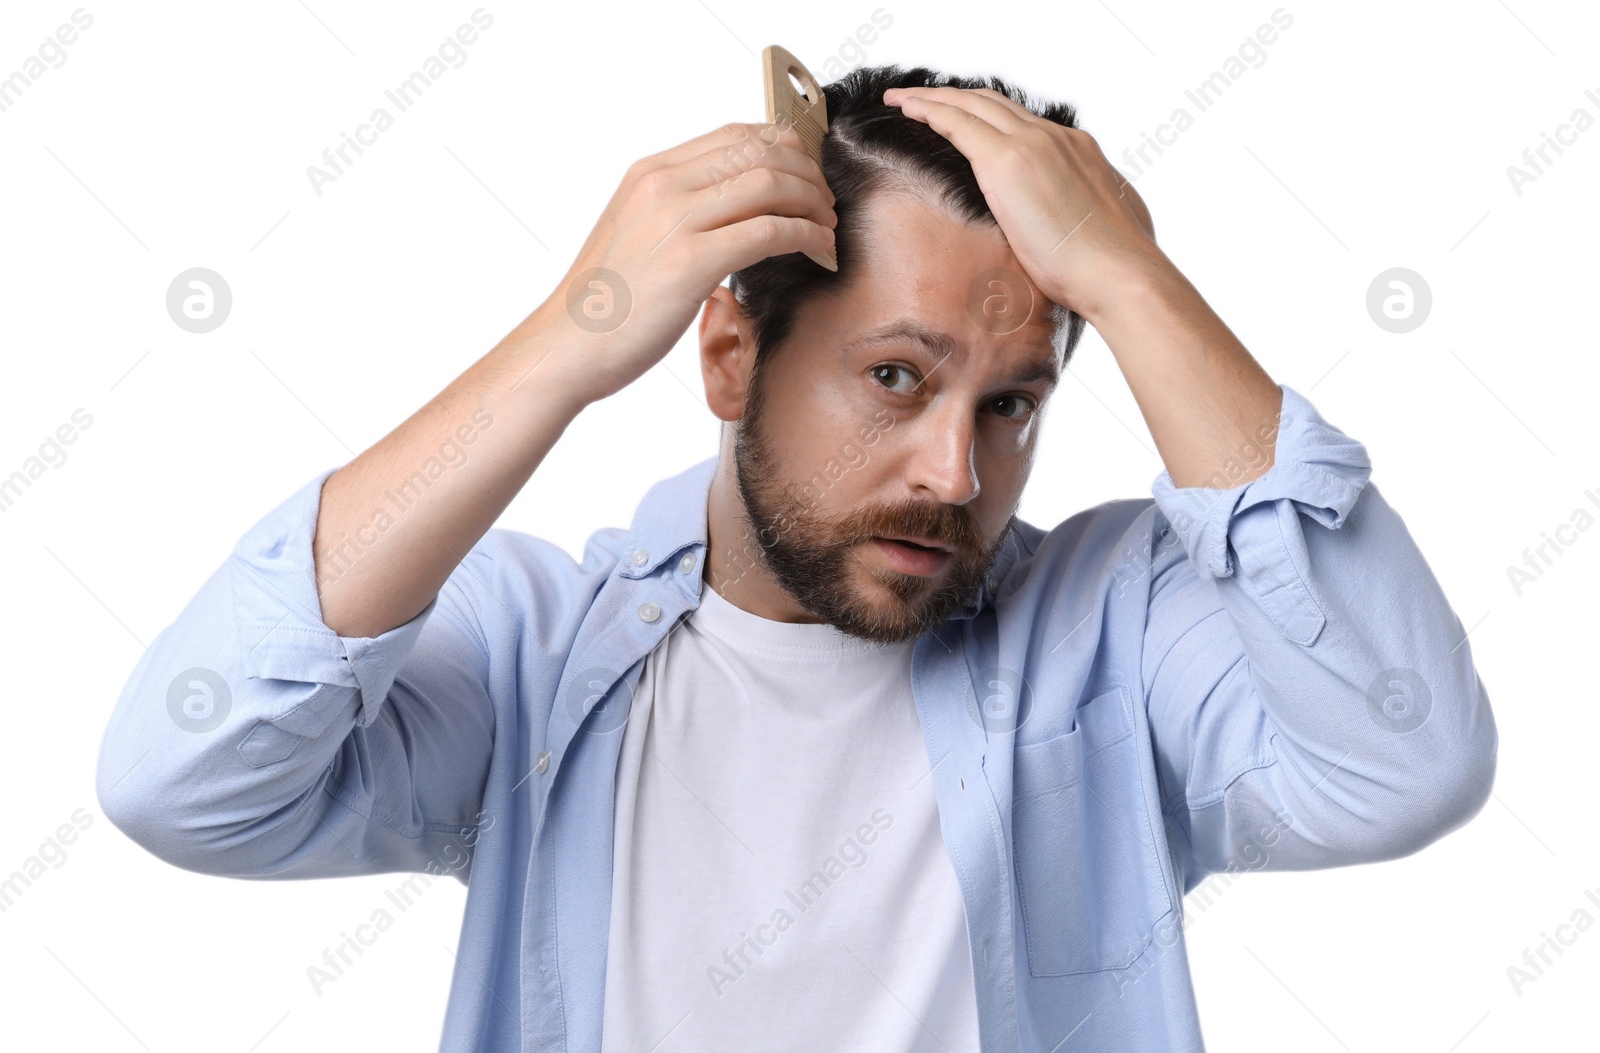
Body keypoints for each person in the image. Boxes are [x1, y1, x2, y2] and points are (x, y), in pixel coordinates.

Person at [95, 63, 1498, 1052]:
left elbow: (1406, 759)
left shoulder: (1114, 631)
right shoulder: (537, 653)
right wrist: (569, 342)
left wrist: (1134, 285)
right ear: (727, 355)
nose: (956, 473)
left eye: (1009, 404)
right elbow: (185, 780)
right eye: (896, 377)